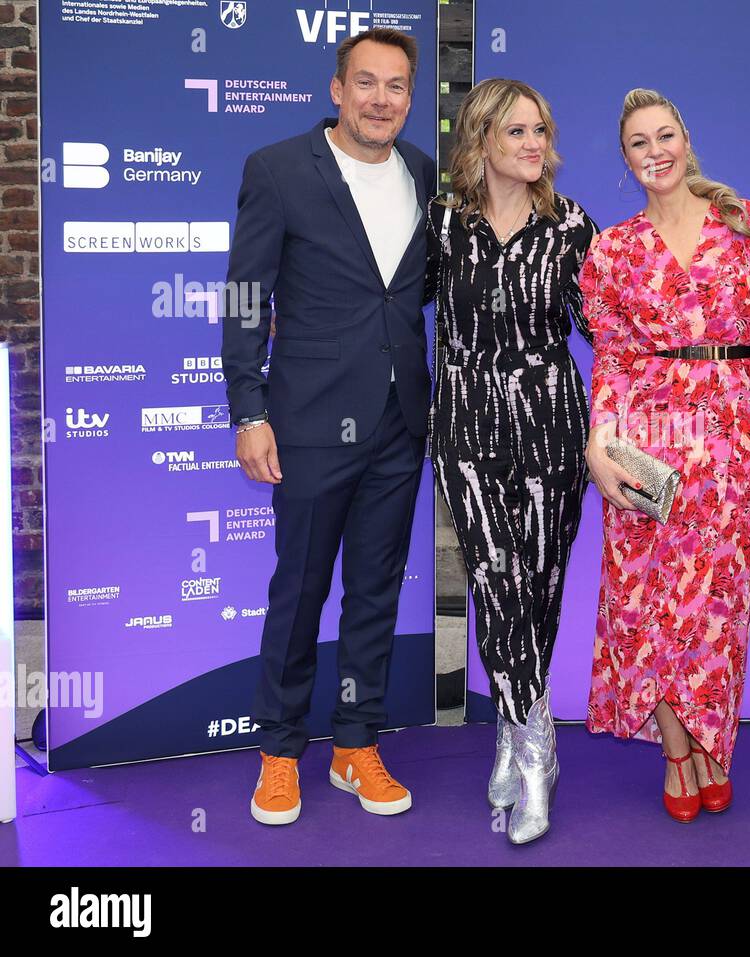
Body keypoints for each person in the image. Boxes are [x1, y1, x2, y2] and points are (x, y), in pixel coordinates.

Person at [222, 28, 436, 826]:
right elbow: (247, 299)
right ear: (338, 90)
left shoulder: (421, 171)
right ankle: (280, 752)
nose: (383, 100)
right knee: (301, 591)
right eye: (367, 83)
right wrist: (248, 410)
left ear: (410, 98)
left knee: (375, 591)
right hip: (308, 421)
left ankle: (355, 742)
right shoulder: (277, 170)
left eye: (397, 87)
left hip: (398, 421)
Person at [583, 88, 750, 823]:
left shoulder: (748, 225)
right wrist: (599, 446)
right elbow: (608, 359)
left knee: (719, 600)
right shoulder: (614, 249)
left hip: (731, 435)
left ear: (687, 141)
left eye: (665, 135)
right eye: (638, 142)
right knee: (647, 599)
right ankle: (675, 747)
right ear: (625, 158)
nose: (655, 150)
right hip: (646, 438)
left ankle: (712, 738)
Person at [425, 78, 597, 844]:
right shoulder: (442, 223)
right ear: (481, 139)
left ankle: (508, 726)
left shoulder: (570, 227)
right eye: (518, 131)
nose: (535, 145)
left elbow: (611, 334)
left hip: (551, 422)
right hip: (465, 418)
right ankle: (538, 752)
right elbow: (392, 306)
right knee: (493, 577)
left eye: (542, 130)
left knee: (539, 587)